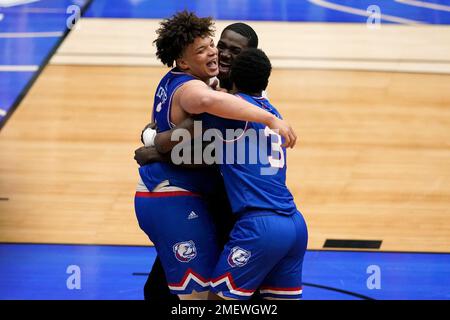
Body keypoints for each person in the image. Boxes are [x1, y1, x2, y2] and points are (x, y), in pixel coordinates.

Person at [134, 11, 297, 300]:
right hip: (219, 202)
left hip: (234, 205)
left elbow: (185, 139)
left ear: (248, 59)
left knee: (205, 294)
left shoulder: (232, 104)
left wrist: (152, 145)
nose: (221, 54)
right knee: (179, 289)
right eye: (219, 45)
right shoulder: (237, 95)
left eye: (235, 51)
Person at [202, 48, 308, 300]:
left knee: (216, 300)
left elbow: (200, 104)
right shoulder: (274, 113)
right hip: (295, 224)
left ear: (234, 78)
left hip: (261, 225)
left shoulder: (232, 114)